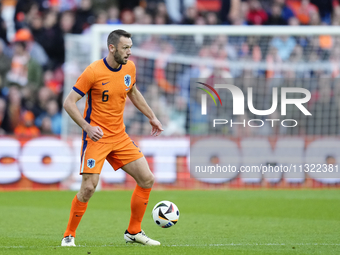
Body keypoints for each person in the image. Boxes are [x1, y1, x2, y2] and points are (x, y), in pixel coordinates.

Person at [61, 29, 164, 247]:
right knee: (88, 188)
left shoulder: (130, 67)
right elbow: (69, 103)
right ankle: (69, 235)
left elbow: (133, 92)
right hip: (96, 138)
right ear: (112, 48)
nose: (129, 52)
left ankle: (133, 231)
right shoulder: (93, 71)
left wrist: (152, 116)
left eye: (131, 47)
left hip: (119, 136)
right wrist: (87, 127)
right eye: (125, 48)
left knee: (147, 179)